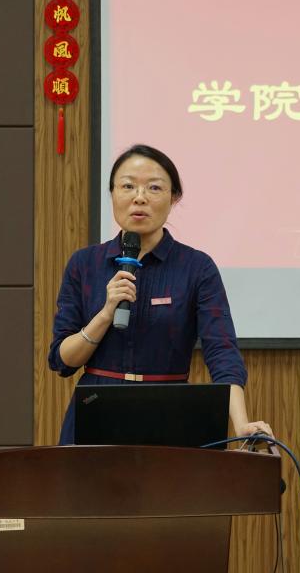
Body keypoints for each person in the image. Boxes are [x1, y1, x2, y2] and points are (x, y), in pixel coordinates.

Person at [48, 143, 273, 446]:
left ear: (174, 197)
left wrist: (241, 423)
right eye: (128, 186)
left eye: (154, 187)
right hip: (97, 409)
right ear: (112, 194)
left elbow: (222, 352)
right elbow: (62, 361)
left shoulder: (197, 268)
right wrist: (105, 313)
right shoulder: (84, 264)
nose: (139, 197)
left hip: (170, 410)